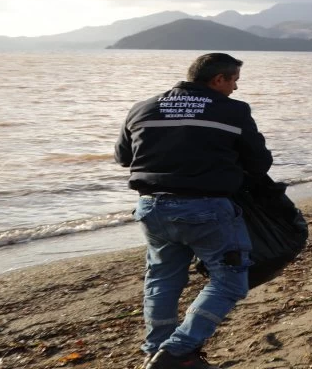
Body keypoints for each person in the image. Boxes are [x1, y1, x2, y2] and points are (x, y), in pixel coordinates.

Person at [115, 53, 274, 369]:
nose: (235, 88)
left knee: (162, 278)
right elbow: (259, 162)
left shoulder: (143, 107)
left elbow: (123, 157)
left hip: (151, 207)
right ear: (219, 80)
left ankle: (156, 352)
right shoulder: (232, 110)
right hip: (206, 209)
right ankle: (175, 352)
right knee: (230, 281)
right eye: (234, 81)